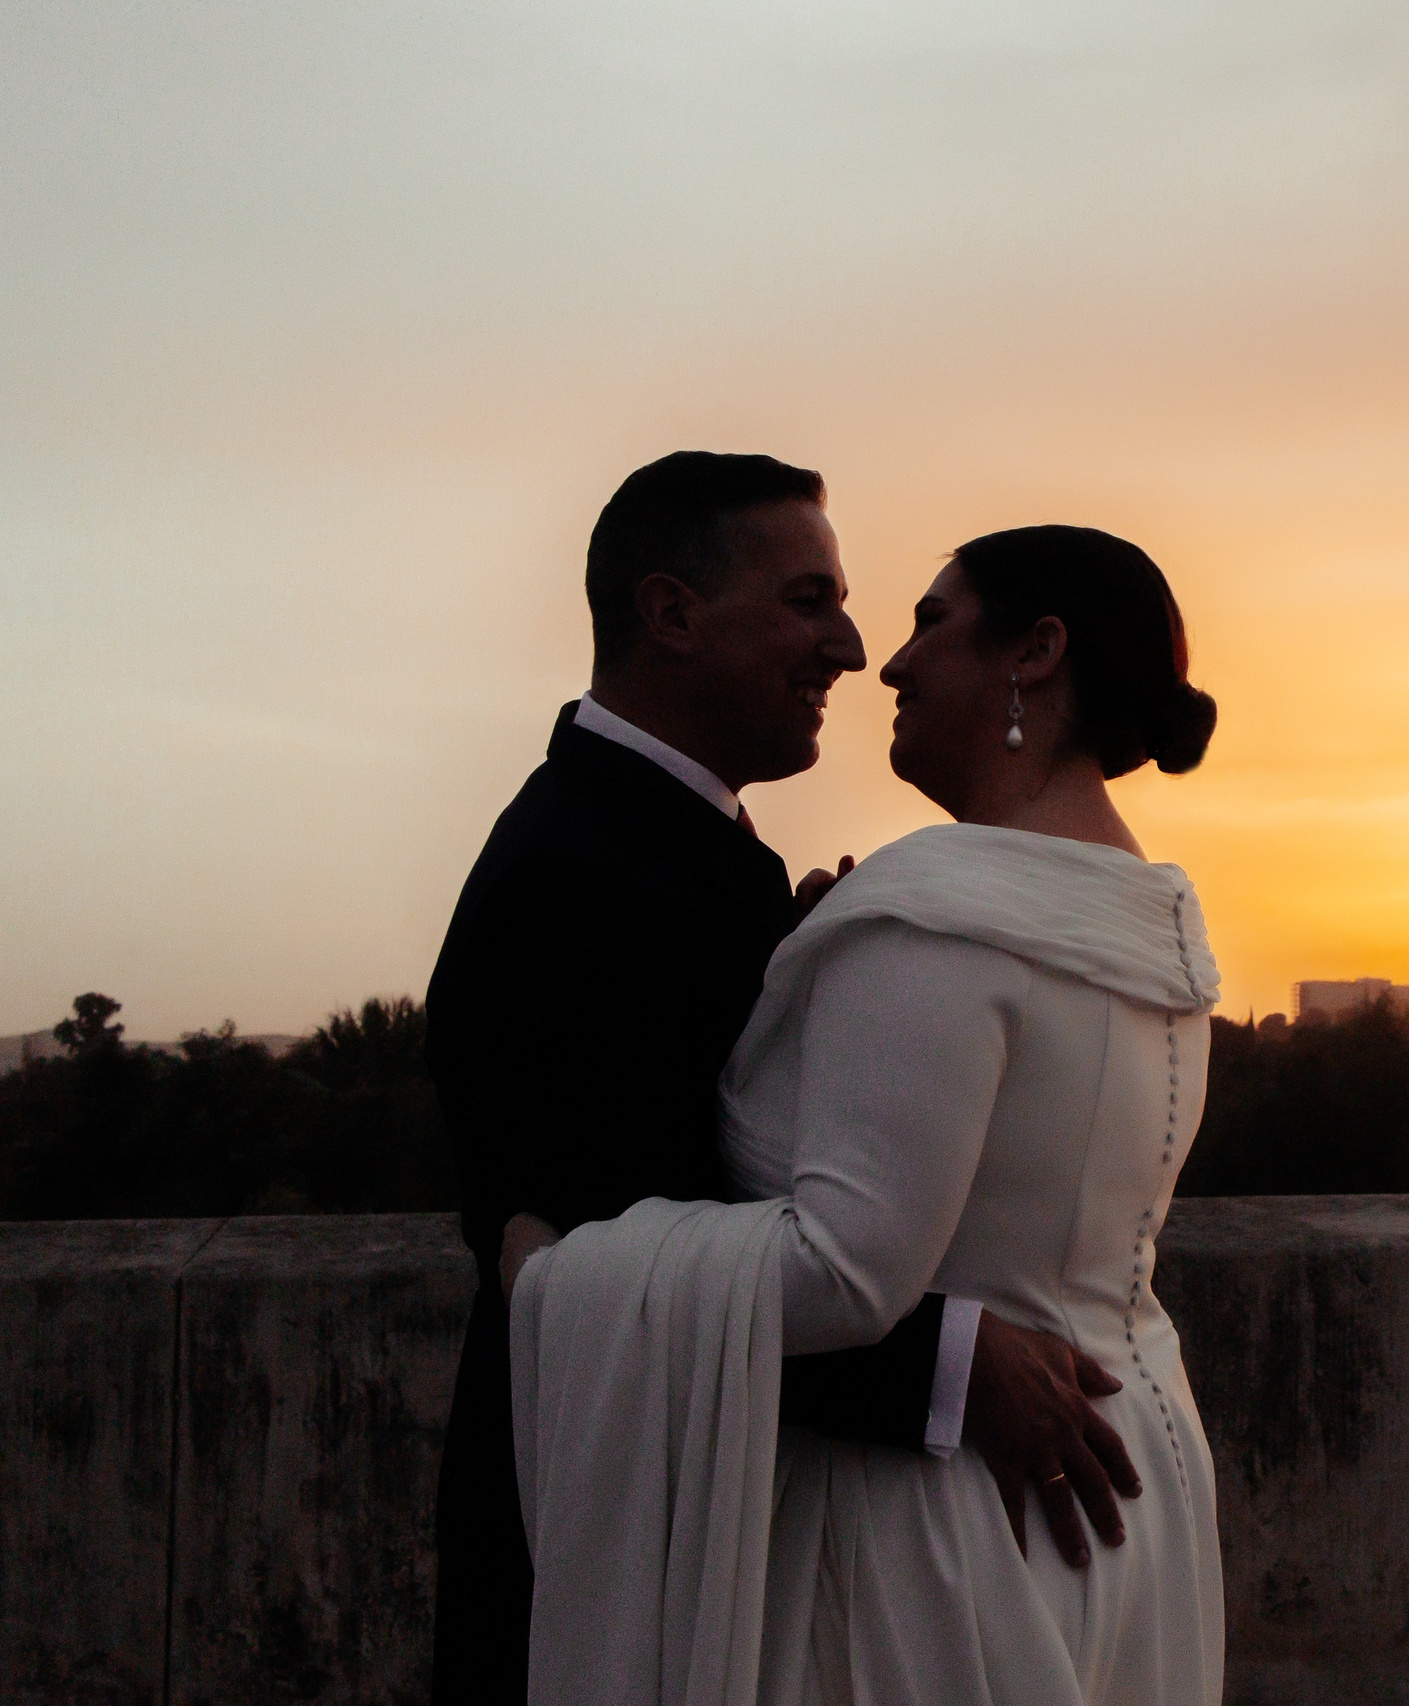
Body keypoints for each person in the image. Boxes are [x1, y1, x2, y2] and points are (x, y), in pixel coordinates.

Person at [428, 457, 1139, 1705]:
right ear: (672, 612)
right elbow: (621, 1250)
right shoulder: (568, 874)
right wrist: (949, 1363)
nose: (852, 650)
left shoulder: (680, 844)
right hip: (605, 1575)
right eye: (810, 603)